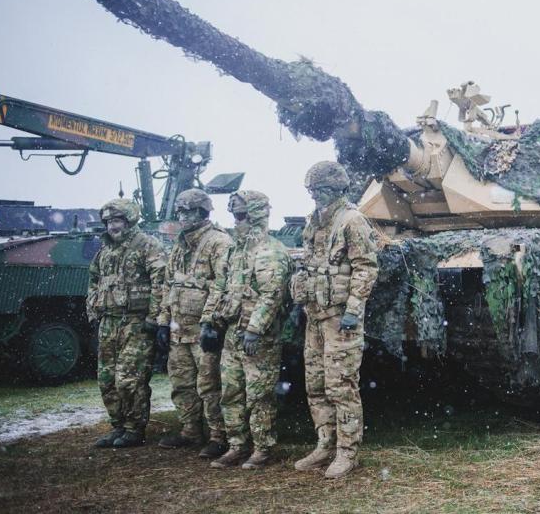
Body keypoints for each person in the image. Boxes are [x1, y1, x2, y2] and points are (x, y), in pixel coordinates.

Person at [292, 161, 379, 479]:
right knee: (315, 385)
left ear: (336, 189)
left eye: (321, 190)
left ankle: (347, 452)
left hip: (341, 319)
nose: (316, 195)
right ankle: (325, 444)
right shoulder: (313, 222)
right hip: (315, 316)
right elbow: (308, 263)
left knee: (341, 386)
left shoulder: (352, 221)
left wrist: (354, 310)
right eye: (313, 190)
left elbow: (366, 267)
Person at [209, 190, 293, 470]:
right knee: (231, 391)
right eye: (234, 216)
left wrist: (254, 329)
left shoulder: (270, 251)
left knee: (259, 394)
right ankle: (236, 445)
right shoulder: (234, 251)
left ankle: (262, 448)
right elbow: (220, 287)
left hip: (259, 336)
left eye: (242, 216)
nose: (236, 221)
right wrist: (210, 322)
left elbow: (272, 295)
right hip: (233, 332)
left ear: (256, 216)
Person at [156, 189, 233, 459]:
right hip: (179, 329)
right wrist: (163, 322)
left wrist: (211, 321)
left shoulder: (218, 242)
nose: (183, 217)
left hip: (203, 329)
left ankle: (218, 435)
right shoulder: (179, 244)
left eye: (188, 211)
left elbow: (223, 285)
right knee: (182, 383)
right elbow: (168, 284)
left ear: (202, 212)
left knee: (210, 385)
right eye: (180, 212)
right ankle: (190, 430)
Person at [88, 198, 167, 448]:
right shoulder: (104, 251)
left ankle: (134, 429)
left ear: (130, 220)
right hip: (108, 322)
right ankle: (118, 425)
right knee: (107, 379)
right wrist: (93, 311)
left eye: (118, 220)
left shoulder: (147, 245)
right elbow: (93, 281)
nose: (113, 226)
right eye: (109, 221)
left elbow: (161, 282)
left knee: (129, 380)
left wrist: (154, 318)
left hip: (136, 323)